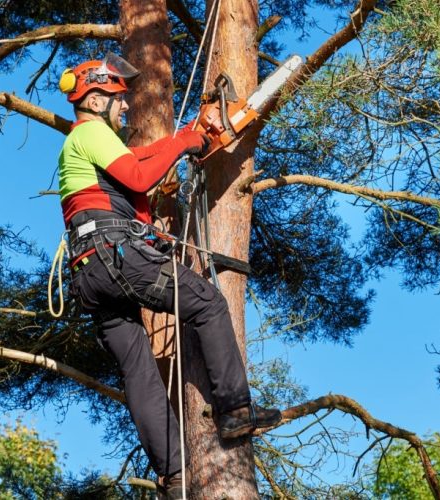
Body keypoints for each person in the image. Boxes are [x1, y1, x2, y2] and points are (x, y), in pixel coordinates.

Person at [57, 53, 281, 498]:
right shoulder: (92, 133)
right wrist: (183, 142)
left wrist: (190, 138)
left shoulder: (89, 148)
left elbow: (138, 161)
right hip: (113, 257)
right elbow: (139, 176)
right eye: (119, 100)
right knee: (208, 304)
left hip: (89, 274)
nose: (125, 108)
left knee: (138, 369)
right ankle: (235, 410)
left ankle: (174, 475)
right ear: (97, 100)